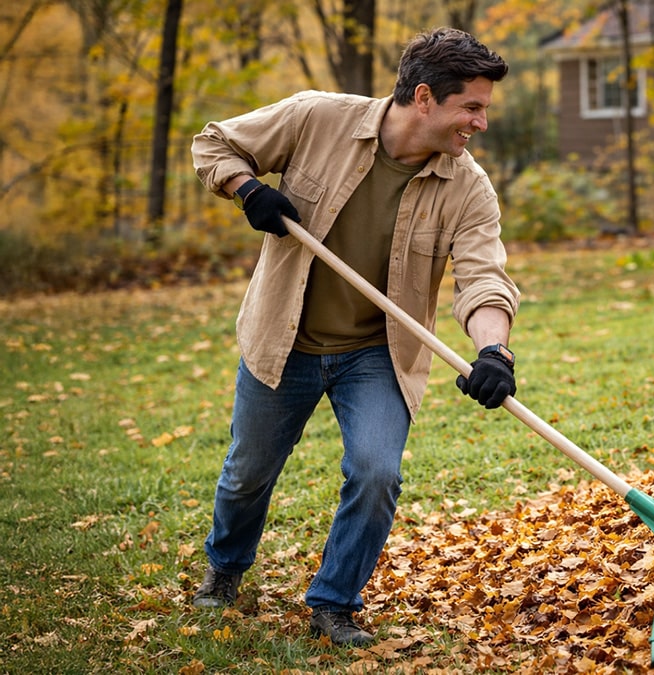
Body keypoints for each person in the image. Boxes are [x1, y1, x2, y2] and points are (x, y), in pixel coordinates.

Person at [189, 27, 520, 646]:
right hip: (283, 339)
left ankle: (334, 602)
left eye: (483, 109)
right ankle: (225, 570)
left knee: (375, 472)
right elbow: (214, 144)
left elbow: (484, 278)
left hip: (377, 355)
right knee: (248, 472)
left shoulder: (468, 187)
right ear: (425, 97)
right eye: (470, 107)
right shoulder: (317, 118)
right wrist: (248, 189)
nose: (480, 122)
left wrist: (493, 349)